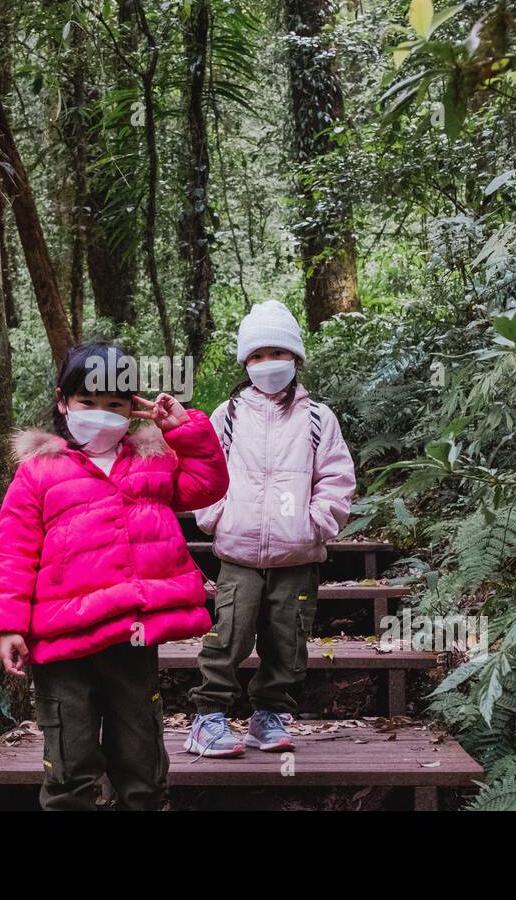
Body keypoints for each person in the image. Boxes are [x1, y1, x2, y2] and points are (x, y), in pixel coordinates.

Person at [0, 340, 229, 808]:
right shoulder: (38, 472)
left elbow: (207, 485)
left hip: (130, 637)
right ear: (62, 402)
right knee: (70, 764)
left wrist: (183, 431)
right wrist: (7, 625)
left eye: (113, 405)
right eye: (87, 403)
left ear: (133, 409)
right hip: (60, 645)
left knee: (141, 760)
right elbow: (13, 552)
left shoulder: (150, 460)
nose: (100, 414)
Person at [185, 301, 357, 756]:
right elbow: (205, 469)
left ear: (296, 359)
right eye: (258, 356)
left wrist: (314, 525)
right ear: (245, 362)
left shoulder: (318, 417)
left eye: (277, 353)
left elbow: (337, 480)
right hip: (237, 553)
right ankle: (209, 717)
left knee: (288, 639)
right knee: (229, 634)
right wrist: (215, 515)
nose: (268, 364)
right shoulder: (227, 415)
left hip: (296, 558)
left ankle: (270, 714)